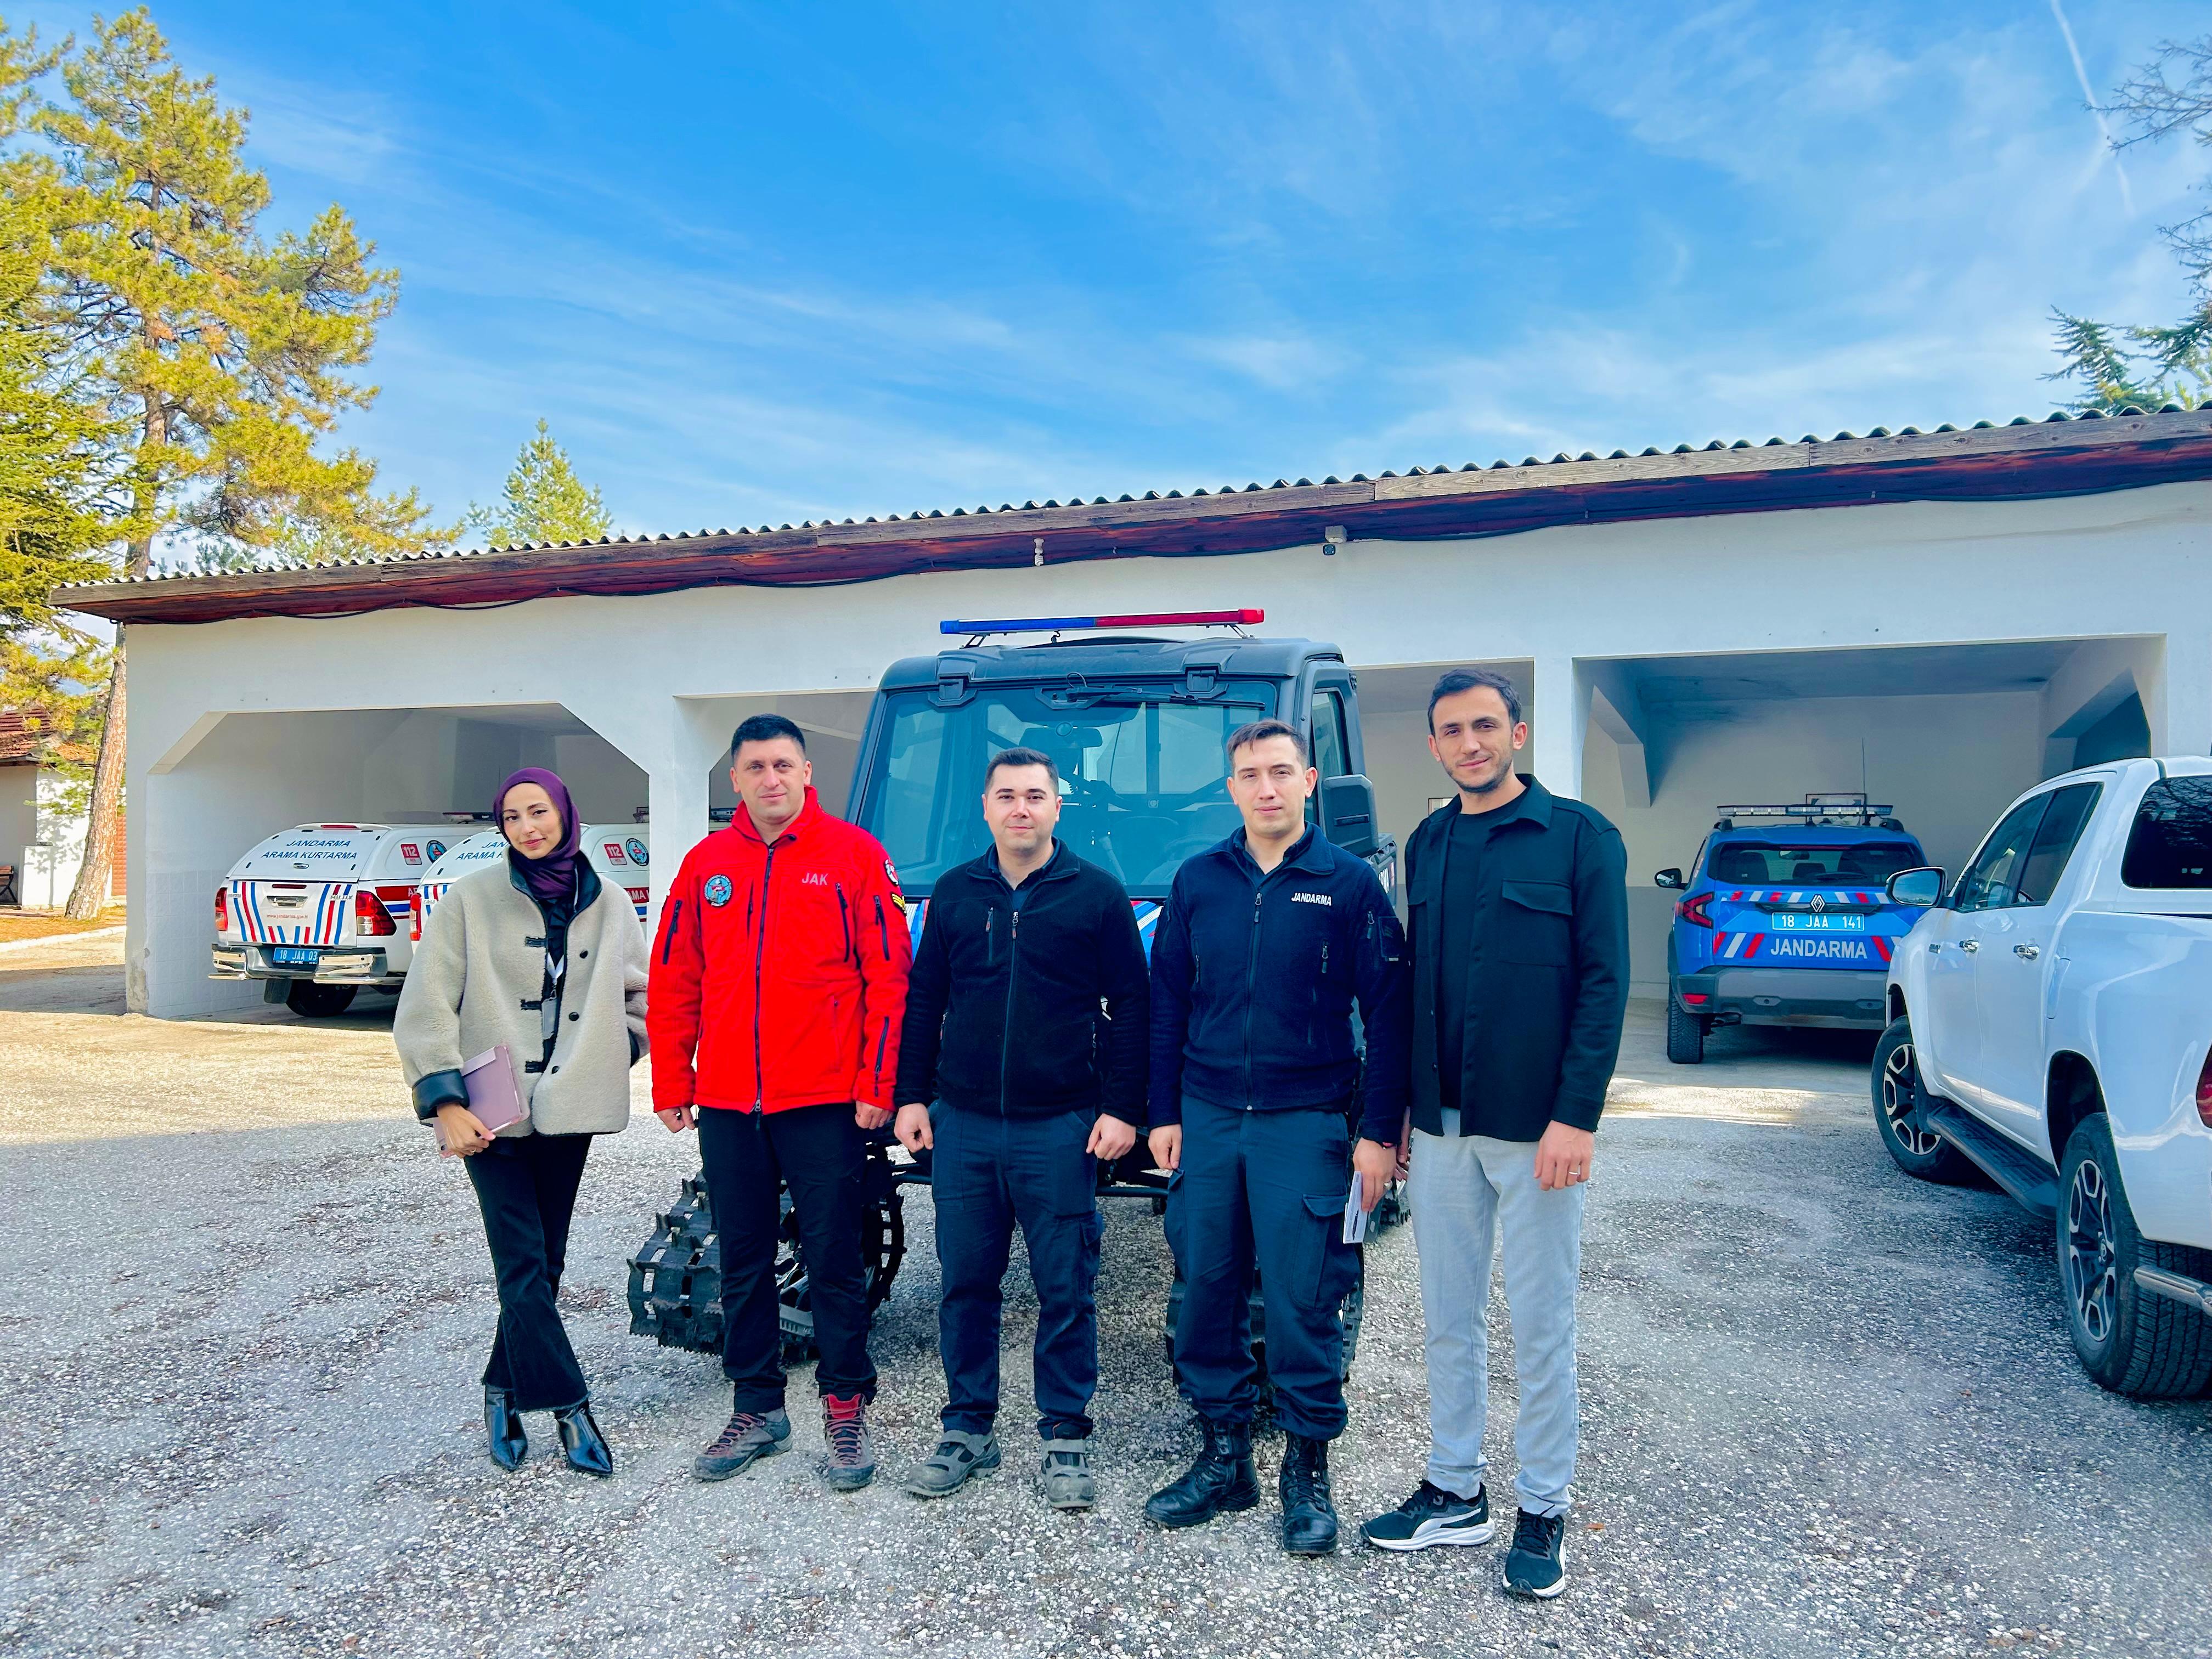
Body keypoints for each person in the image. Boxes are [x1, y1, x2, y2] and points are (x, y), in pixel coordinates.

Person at [1358, 668, 1628, 1601]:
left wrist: (1577, 1117)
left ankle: (1543, 1506)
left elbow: (1604, 984)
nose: (1469, 743)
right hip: (1441, 1129)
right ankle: (1454, 1488)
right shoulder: (1429, 841)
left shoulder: (1581, 838)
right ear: (1433, 745)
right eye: (1451, 730)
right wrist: (1397, 1108)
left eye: (1484, 725)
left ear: (1517, 732)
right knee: (1448, 1317)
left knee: (1542, 1325)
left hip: (1537, 1130)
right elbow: (1411, 987)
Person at [1144, 719, 1408, 1556]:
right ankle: (1225, 1458)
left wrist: (1378, 1133)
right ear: (1232, 789)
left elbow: (1390, 1016)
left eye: (1281, 772)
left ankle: (1306, 1469)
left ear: (1309, 781)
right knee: (1206, 1291)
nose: (1266, 787)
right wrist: (1163, 1113)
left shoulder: (1349, 885)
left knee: (1305, 1299)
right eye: (1251, 775)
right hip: (1209, 1119)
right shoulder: (1198, 882)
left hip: (1306, 1123)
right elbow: (1166, 1005)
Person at [648, 714, 911, 1492]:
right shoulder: (706, 866)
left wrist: (878, 1085)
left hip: (825, 1101)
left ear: (806, 774)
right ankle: (758, 1407)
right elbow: (675, 977)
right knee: (743, 1259)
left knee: (834, 1257)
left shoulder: (854, 856)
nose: (771, 779)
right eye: (756, 767)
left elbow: (889, 980)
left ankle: (845, 1406)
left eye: (783, 765)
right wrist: (673, 1080)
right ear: (734, 778)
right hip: (730, 1102)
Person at [891, 747, 1149, 1510]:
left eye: (1035, 795)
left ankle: (1066, 1433)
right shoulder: (954, 893)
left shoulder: (1097, 895)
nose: (1021, 808)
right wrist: (911, 1097)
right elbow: (924, 1000)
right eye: (1006, 795)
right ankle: (967, 1428)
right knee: (966, 1286)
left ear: (1057, 807)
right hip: (964, 1126)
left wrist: (1121, 1109)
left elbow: (1134, 1007)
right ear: (986, 807)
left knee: (1065, 1289)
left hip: (1059, 1128)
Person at [394, 767, 648, 1479]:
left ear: (565, 814)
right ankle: (571, 1409)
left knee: (547, 1262)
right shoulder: (470, 899)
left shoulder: (610, 902)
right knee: (523, 1265)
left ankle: (500, 1392)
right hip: (488, 1113)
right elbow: (426, 1006)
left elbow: (639, 997)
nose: (528, 827)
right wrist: (446, 1103)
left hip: (569, 1112)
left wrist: (607, 1055)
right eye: (512, 817)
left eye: (538, 812)